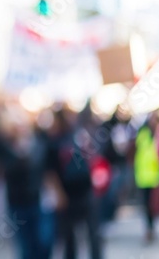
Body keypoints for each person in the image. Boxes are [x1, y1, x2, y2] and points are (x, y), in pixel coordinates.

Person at [0, 106, 57, 259]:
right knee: (26, 246)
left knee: (44, 242)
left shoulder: (38, 142)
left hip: (39, 199)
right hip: (17, 201)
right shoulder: (4, 147)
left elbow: (46, 166)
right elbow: (10, 167)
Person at [47, 108, 102, 259]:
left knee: (79, 235)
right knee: (76, 235)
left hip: (79, 191)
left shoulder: (72, 137)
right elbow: (50, 171)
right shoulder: (65, 139)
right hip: (73, 192)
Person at [134, 113, 159, 243]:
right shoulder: (143, 135)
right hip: (144, 176)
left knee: (154, 205)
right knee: (146, 205)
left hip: (155, 177)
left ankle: (151, 227)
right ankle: (149, 228)